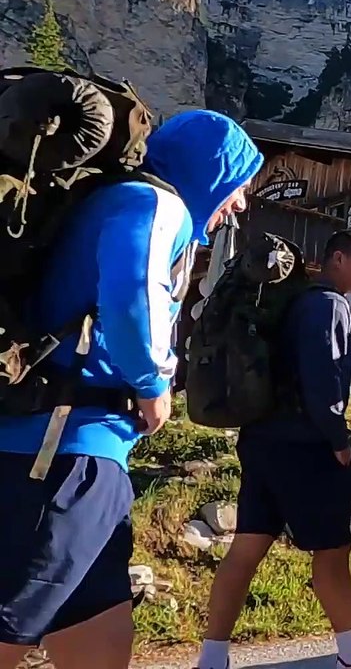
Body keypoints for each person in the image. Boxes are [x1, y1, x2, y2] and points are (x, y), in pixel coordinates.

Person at [0, 110, 260, 669]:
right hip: (60, 454)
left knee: (99, 633)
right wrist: (152, 384)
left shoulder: (123, 202)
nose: (239, 204)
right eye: (239, 184)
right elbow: (130, 298)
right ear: (212, 170)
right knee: (9, 628)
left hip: (85, 453)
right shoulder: (153, 204)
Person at [195, 230, 351, 669]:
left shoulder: (291, 304)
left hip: (260, 439)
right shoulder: (328, 305)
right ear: (336, 258)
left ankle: (212, 658)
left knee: (246, 548)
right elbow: (323, 380)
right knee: (332, 550)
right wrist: (338, 440)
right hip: (305, 446)